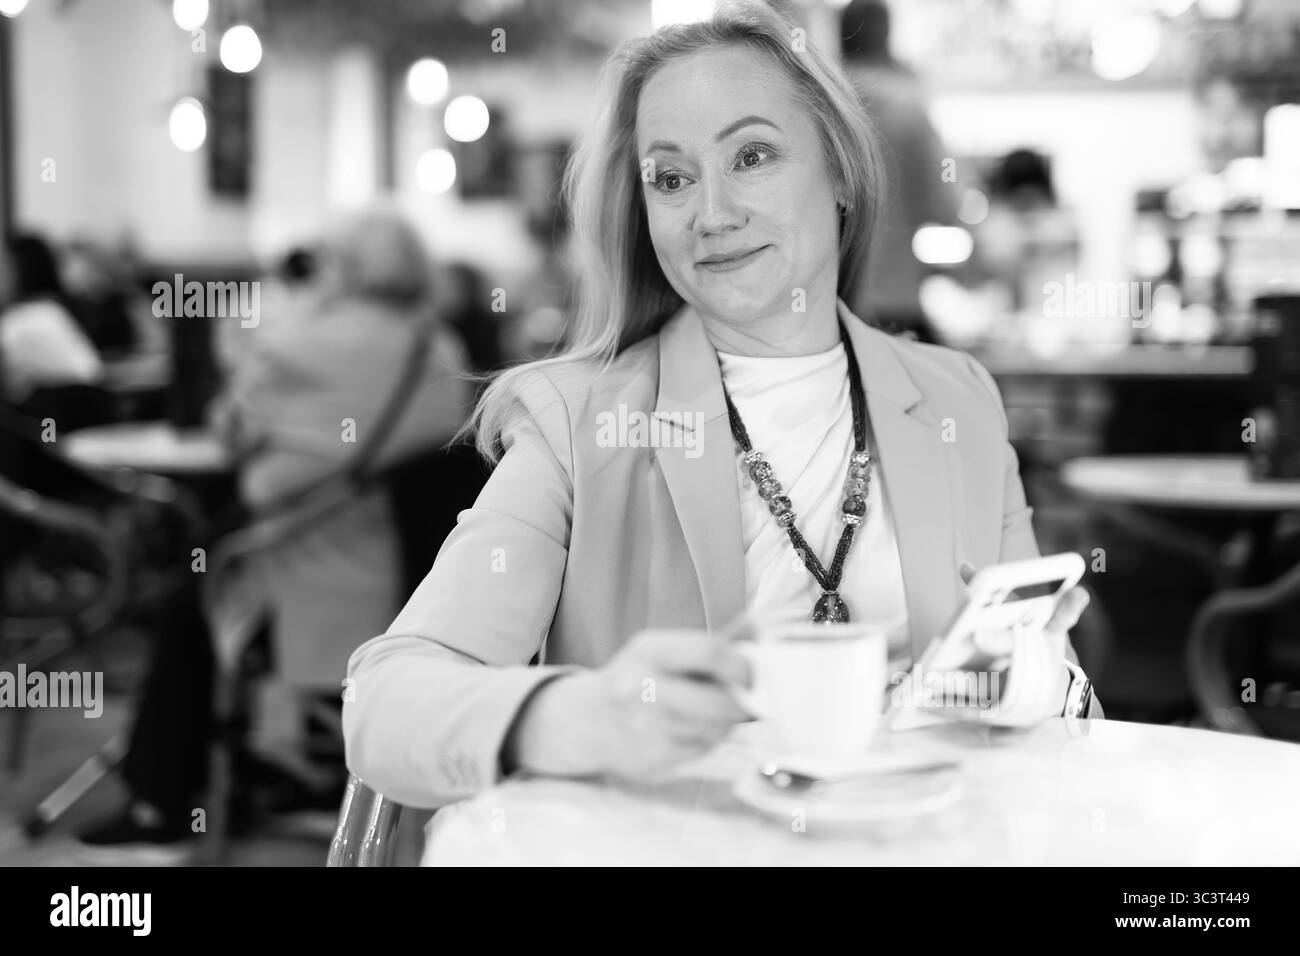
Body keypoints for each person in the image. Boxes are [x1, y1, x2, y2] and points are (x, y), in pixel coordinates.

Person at [343, 2, 1100, 820]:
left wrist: (1030, 680)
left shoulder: (958, 399)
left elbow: (1042, 706)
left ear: (840, 172)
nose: (712, 213)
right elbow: (385, 705)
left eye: (752, 156)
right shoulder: (576, 422)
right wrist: (581, 714)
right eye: (672, 178)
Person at [76, 207, 474, 862]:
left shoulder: (295, 341)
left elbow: (229, 434)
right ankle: (285, 774)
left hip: (296, 565)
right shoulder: (442, 347)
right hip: (408, 578)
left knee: (185, 603)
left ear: (337, 266)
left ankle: (161, 800)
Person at [839, 0, 960, 344]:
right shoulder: (906, 106)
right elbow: (945, 205)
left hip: (827, 309)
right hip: (895, 302)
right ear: (888, 35)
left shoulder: (821, 104)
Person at [0, 233, 106, 429]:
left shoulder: (16, 323)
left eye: (5, 269)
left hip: (50, 432)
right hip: (89, 424)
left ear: (22, 272)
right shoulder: (53, 312)